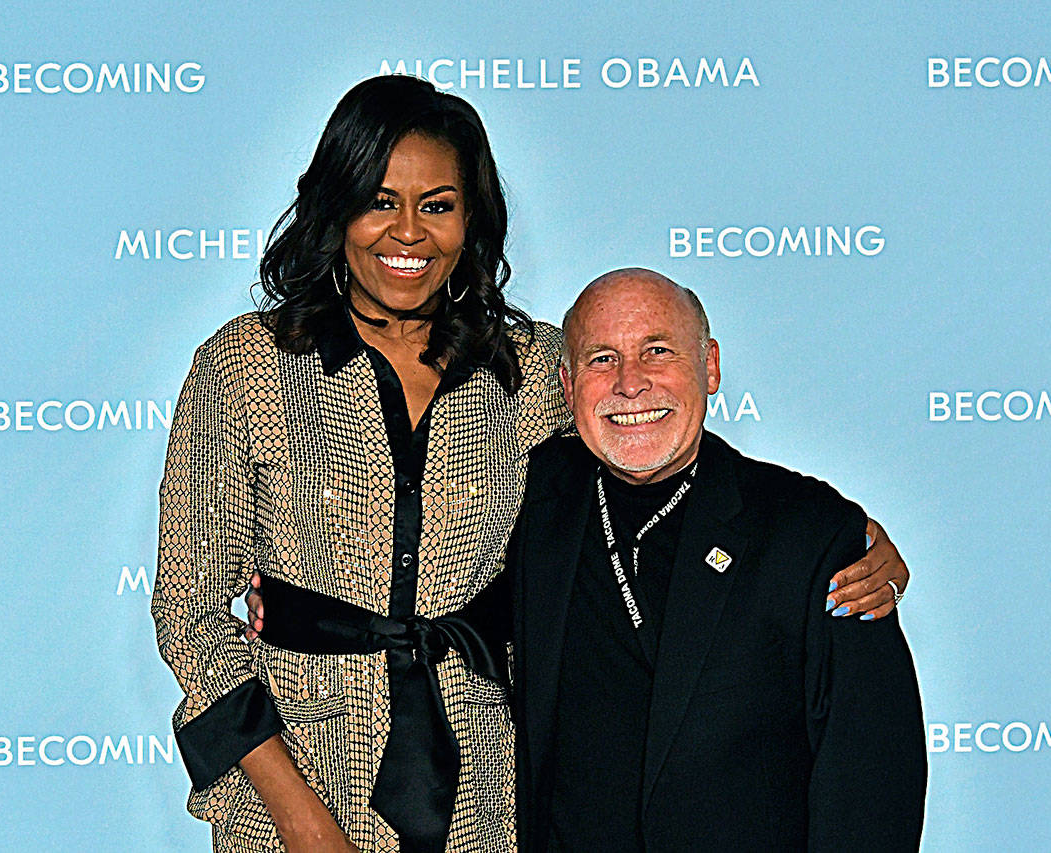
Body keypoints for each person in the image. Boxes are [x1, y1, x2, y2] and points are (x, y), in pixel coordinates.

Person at [154, 75, 910, 853]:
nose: (408, 233)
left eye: (438, 205)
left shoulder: (533, 367)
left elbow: (660, 456)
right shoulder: (243, 366)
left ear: (471, 219)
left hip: (488, 799)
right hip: (295, 784)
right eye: (381, 200)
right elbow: (190, 613)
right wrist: (305, 826)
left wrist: (847, 543)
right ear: (336, 205)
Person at [510, 269, 926, 851]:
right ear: (567, 381)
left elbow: (873, 783)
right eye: (602, 359)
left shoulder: (811, 532)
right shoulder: (525, 502)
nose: (631, 384)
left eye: (657, 351)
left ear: (710, 366)